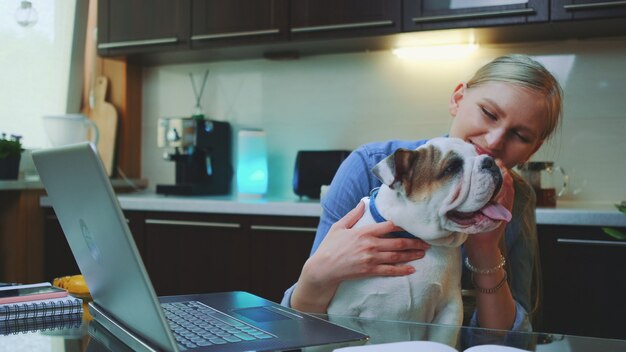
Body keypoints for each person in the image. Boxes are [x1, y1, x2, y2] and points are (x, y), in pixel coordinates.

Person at [280, 54, 564, 332]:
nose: (494, 141)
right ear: (457, 98)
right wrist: (321, 273)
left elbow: (511, 342)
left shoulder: (518, 198)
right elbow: (299, 326)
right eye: (488, 114)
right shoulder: (370, 167)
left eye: (521, 136)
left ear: (533, 149)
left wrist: (486, 252)